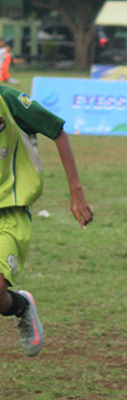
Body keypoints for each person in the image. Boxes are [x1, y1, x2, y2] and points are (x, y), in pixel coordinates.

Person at [0, 84, 93, 356]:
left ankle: (21, 306)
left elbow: (57, 131)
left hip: (10, 212)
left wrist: (76, 191)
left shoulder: (9, 100)